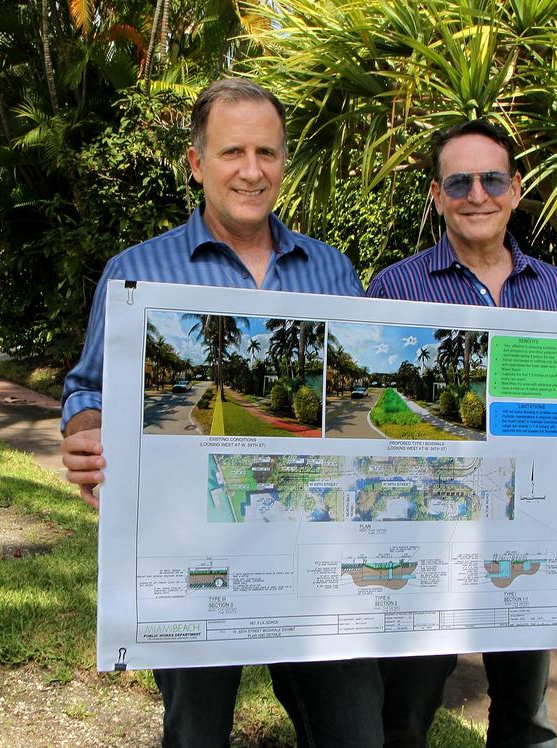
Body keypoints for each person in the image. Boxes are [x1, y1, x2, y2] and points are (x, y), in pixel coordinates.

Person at [60, 78, 384, 748]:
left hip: (317, 555)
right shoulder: (137, 272)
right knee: (197, 733)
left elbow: (354, 395)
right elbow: (89, 389)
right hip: (190, 554)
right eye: (232, 151)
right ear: (196, 162)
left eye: (267, 152)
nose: (251, 170)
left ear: (284, 162)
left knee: (353, 730)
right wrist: (86, 434)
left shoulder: (332, 271)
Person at [366, 119, 557, 748]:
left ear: (516, 189)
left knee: (525, 714)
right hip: (425, 532)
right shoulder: (396, 287)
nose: (477, 195)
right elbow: (380, 412)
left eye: (492, 179)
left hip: (524, 531)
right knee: (405, 713)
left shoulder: (556, 291)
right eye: (459, 182)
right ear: (437, 195)